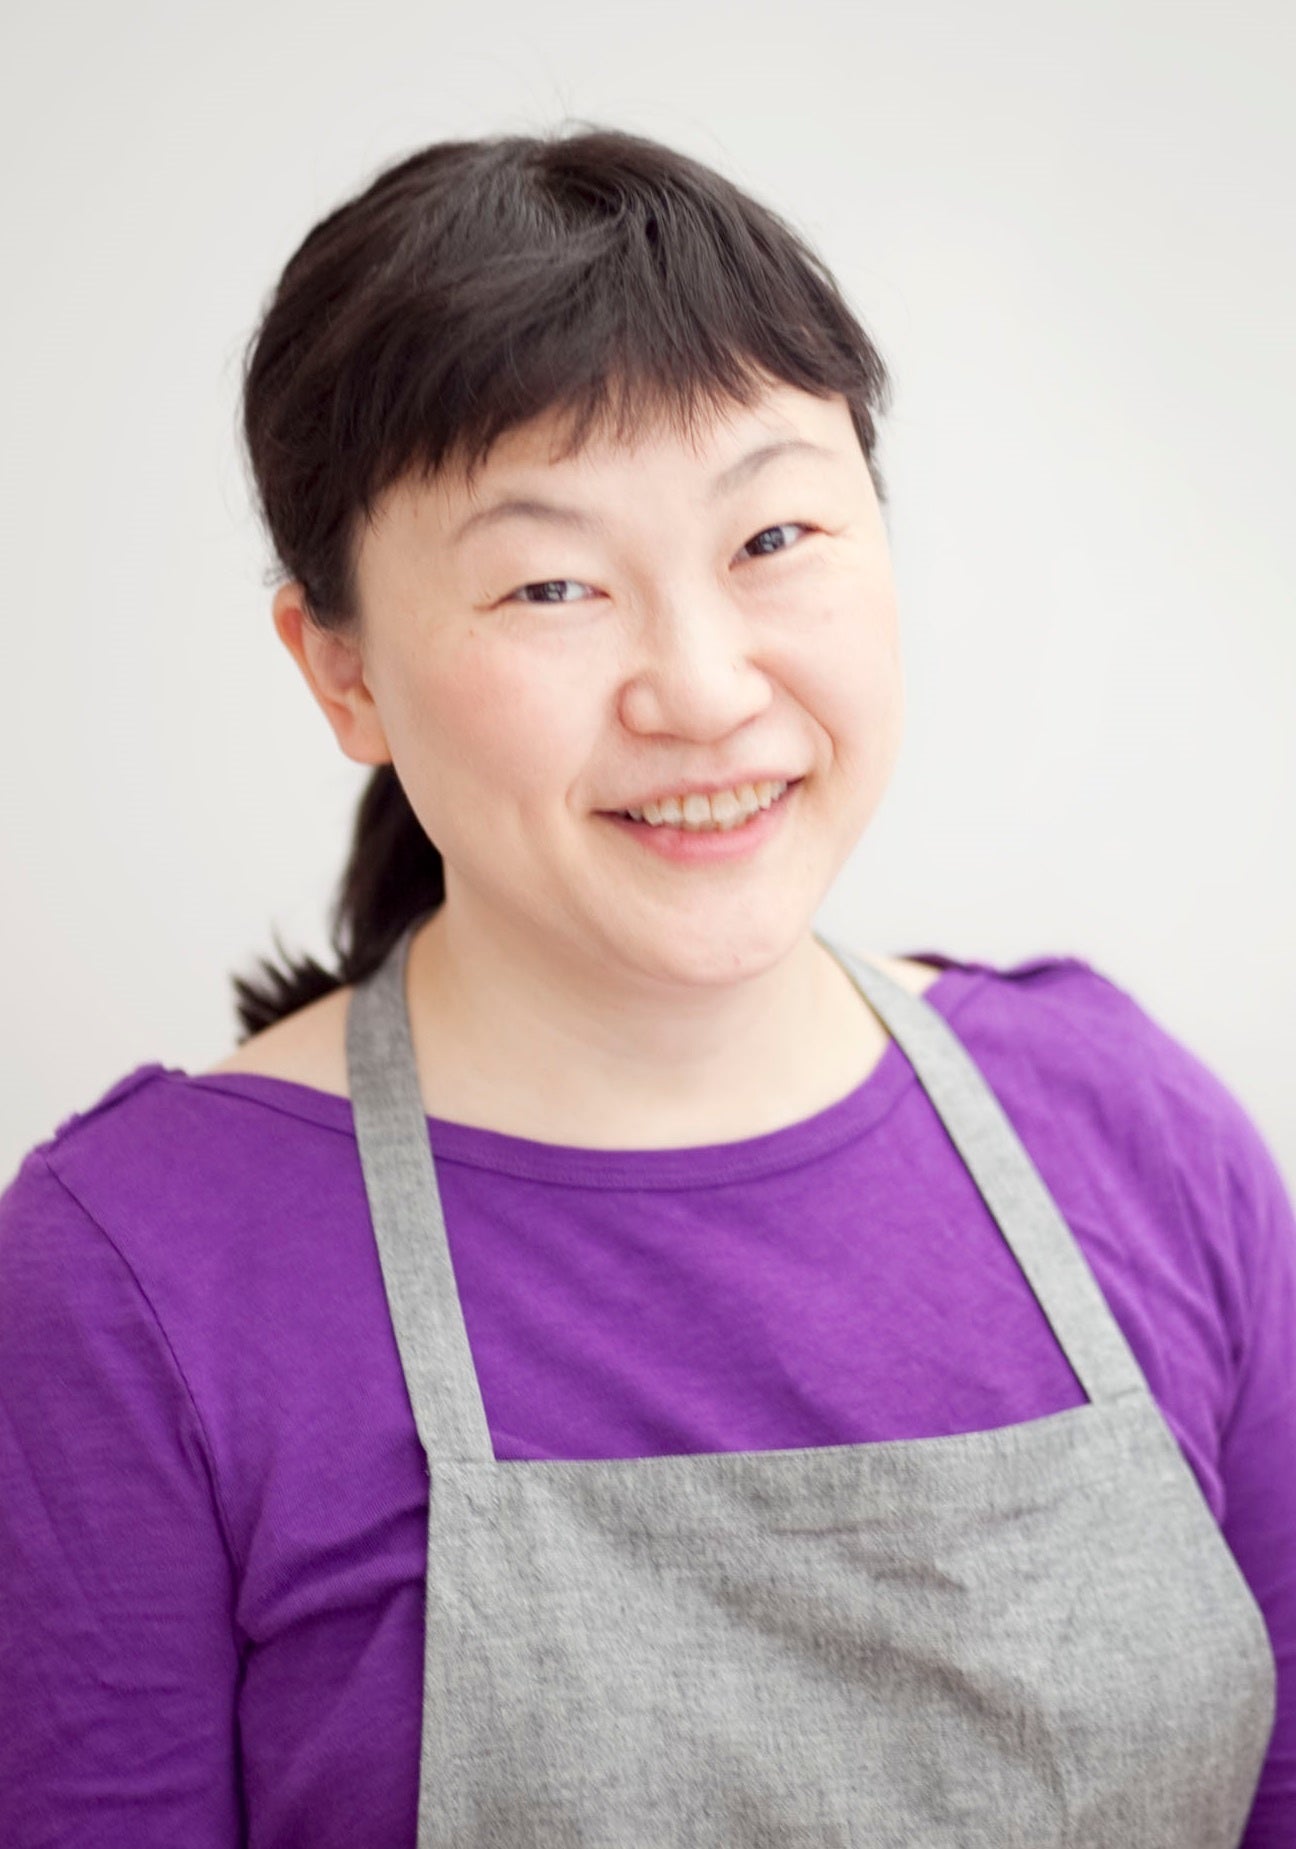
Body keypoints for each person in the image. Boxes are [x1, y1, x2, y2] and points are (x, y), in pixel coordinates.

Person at [0, 124, 1292, 1849]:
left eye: (774, 535)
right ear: (342, 672)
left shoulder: (1132, 1130)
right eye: (553, 582)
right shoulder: (132, 1275)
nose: (701, 687)